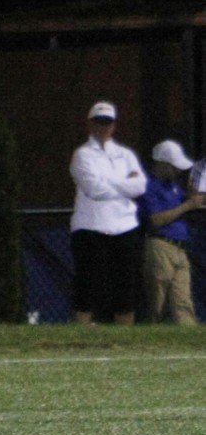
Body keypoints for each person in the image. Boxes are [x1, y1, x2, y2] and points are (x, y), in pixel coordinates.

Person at [69, 101, 146, 325]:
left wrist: (109, 183)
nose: (103, 127)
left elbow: (140, 186)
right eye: (99, 122)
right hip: (91, 227)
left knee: (126, 287)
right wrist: (124, 185)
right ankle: (80, 337)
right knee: (87, 285)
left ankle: (124, 341)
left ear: (114, 125)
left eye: (107, 122)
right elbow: (94, 190)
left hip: (125, 227)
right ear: (90, 124)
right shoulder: (82, 155)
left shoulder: (126, 154)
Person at [137, 140, 202, 324]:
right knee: (157, 302)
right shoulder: (149, 185)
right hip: (160, 247)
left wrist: (193, 198)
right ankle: (151, 340)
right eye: (174, 167)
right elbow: (156, 220)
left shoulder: (173, 186)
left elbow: (187, 200)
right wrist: (187, 205)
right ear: (162, 164)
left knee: (183, 302)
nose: (178, 171)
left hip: (180, 249)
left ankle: (189, 342)